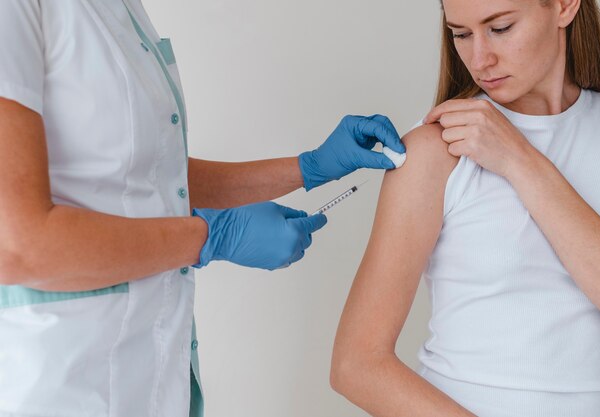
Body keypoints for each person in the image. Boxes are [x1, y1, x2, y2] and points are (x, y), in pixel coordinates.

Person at [0, 1, 406, 416]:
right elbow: (17, 245)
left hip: (152, 381)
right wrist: (213, 236)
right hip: (59, 383)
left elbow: (152, 178)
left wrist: (308, 168)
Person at [330, 0, 600, 416]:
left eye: (501, 28)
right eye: (461, 34)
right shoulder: (438, 149)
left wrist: (520, 160)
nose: (479, 59)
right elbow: (355, 365)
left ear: (564, 6)